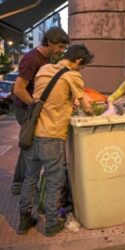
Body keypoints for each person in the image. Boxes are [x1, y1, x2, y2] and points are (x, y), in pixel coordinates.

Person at [17, 44, 94, 237]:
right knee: (54, 181)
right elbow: (85, 104)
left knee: (30, 178)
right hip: (51, 135)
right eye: (82, 66)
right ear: (77, 61)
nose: (81, 69)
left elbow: (50, 96)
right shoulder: (72, 75)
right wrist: (93, 113)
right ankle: (51, 223)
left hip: (32, 134)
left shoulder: (44, 69)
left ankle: (24, 221)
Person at [12, 27, 70, 195]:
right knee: (29, 146)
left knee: (27, 146)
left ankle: (18, 184)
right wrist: (34, 105)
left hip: (31, 108)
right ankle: (23, 186)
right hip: (25, 109)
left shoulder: (46, 59)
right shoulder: (31, 59)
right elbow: (18, 89)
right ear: (50, 42)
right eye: (60, 46)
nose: (62, 50)